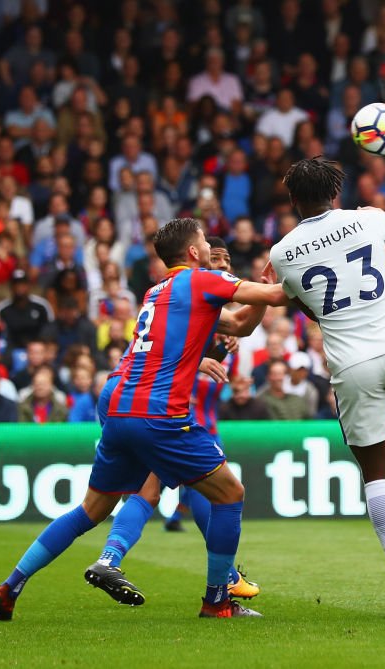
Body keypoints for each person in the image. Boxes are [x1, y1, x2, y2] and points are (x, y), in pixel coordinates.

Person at [0, 218, 286, 621]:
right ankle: (217, 601)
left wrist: (261, 294)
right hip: (158, 412)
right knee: (230, 493)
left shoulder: (156, 292)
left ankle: (9, 587)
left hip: (119, 404)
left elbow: (241, 324)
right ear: (195, 253)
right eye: (204, 244)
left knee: (91, 509)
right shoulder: (201, 281)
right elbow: (281, 294)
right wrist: (286, 270)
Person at [269, 157, 385, 616]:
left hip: (352, 363)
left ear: (293, 201)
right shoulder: (366, 220)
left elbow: (308, 309)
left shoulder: (282, 252)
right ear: (336, 192)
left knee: (377, 475)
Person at [86, 235, 265, 605]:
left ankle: (112, 558)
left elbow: (240, 325)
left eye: (227, 260)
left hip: (178, 407)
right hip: (165, 409)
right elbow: (150, 353)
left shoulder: (209, 304)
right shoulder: (190, 293)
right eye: (215, 257)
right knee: (200, 489)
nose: (223, 266)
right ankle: (223, 581)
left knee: (170, 489)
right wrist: (201, 359)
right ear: (197, 258)